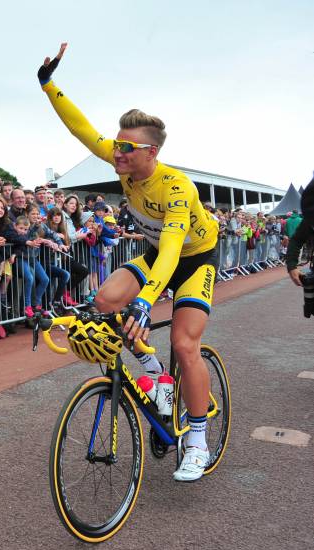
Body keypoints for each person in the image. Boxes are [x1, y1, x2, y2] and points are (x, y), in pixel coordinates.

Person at [39, 43, 220, 481]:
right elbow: (81, 130)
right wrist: (48, 84)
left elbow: (175, 248)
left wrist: (147, 301)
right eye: (117, 143)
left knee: (184, 344)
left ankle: (196, 440)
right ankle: (154, 372)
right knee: (103, 300)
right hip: (159, 253)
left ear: (151, 153)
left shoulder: (177, 187)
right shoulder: (121, 161)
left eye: (128, 146)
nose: (117, 152)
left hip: (194, 259)